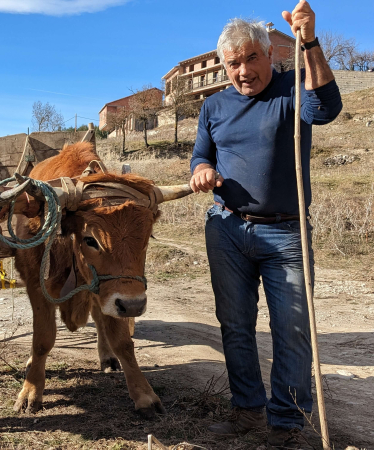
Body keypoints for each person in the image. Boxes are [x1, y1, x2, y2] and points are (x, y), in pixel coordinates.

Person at [189, 2, 342, 449]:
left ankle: (287, 423)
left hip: (286, 231)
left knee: (292, 327)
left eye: (251, 58)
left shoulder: (294, 87)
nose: (243, 71)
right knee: (234, 324)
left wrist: (309, 40)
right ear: (223, 66)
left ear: (270, 54)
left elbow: (327, 108)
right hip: (226, 228)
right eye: (233, 63)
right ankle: (246, 411)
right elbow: (202, 153)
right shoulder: (214, 106)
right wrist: (201, 169)